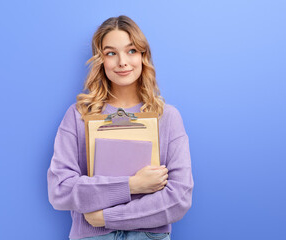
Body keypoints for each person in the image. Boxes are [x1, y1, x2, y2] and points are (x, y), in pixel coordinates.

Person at [47, 15, 193, 240]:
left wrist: (106, 217)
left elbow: (179, 198)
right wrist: (132, 185)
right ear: (101, 60)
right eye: (111, 53)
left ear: (144, 56)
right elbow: (60, 190)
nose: (122, 61)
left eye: (131, 50)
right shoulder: (78, 116)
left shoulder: (168, 118)